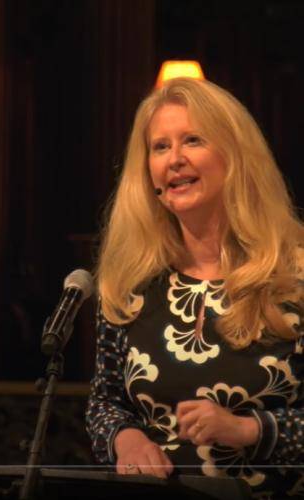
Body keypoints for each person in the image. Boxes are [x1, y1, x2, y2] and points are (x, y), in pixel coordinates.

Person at [85, 77, 304, 498]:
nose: (175, 160)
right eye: (160, 147)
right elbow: (106, 402)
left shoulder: (292, 277)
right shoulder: (129, 283)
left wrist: (248, 429)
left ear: (236, 157)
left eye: (193, 140)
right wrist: (124, 440)